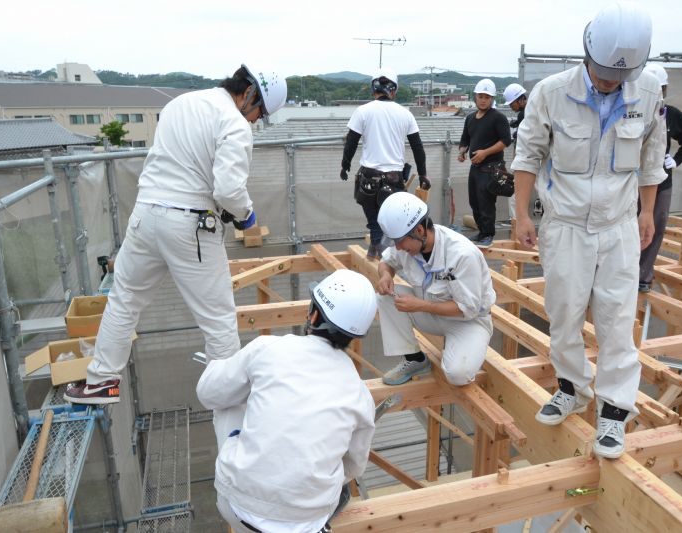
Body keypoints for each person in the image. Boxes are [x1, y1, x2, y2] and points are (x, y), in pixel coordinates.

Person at [65, 64, 287, 405]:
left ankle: (101, 382)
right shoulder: (234, 124)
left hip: (145, 216)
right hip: (190, 224)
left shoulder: (180, 104)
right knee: (218, 319)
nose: (256, 120)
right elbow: (228, 190)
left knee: (125, 300)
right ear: (250, 94)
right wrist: (246, 215)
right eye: (260, 112)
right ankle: (230, 403)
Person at [510, 2, 666, 459]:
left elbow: (653, 159)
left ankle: (615, 410)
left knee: (618, 319)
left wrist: (648, 211)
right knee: (564, 314)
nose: (607, 82)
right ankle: (572, 388)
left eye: (617, 76)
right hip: (566, 226)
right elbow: (528, 155)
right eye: (600, 72)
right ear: (586, 52)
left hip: (618, 225)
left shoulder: (649, 91)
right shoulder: (551, 93)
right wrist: (522, 214)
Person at [196, 270, 377, 533]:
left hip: (238, 508)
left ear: (314, 314)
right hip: (308, 522)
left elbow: (208, 393)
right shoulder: (360, 394)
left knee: (229, 397)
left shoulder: (268, 348)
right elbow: (354, 465)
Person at [375, 192, 496, 386]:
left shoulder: (461, 254)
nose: (397, 247)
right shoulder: (409, 246)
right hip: (430, 314)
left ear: (420, 231)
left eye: (400, 241)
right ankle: (414, 359)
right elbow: (386, 261)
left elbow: (468, 308)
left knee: (457, 375)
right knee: (384, 298)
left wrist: (420, 305)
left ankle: (462, 347)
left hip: (468, 322)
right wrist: (385, 275)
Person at [340, 68, 431, 260]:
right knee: (393, 221)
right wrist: (423, 174)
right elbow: (417, 147)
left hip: (368, 179)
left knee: (374, 221)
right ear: (393, 90)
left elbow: (351, 141)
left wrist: (345, 165)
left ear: (374, 89)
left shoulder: (363, 111)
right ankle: (380, 253)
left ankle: (379, 254)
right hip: (394, 179)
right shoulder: (405, 114)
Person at [638, 63, 682, 293]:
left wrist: (677, 159)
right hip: (632, 182)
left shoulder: (671, 115)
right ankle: (620, 272)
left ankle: (643, 274)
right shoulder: (633, 112)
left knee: (655, 226)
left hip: (661, 182)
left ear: (663, 90)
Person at [458, 79, 513, 248]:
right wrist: (462, 152)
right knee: (474, 201)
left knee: (486, 202)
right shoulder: (470, 118)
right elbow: (465, 139)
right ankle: (482, 231)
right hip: (475, 168)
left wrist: (485, 153)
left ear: (492, 99)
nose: (483, 100)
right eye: (480, 96)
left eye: (487, 97)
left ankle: (488, 234)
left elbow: (506, 141)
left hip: (491, 168)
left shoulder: (498, 118)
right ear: (475, 97)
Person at [502, 83, 529, 223]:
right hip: (532, 160)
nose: (511, 106)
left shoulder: (526, 114)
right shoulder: (530, 111)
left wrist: (516, 132)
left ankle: (515, 221)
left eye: (512, 103)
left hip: (527, 160)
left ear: (520, 100)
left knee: (514, 190)